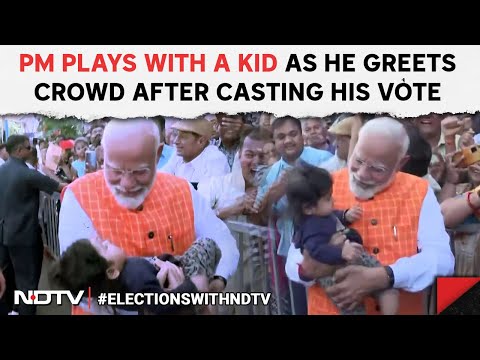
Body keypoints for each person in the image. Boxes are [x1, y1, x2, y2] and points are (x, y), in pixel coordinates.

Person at [58, 117, 239, 315]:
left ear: (158, 153)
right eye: (115, 170)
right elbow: (84, 285)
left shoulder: (182, 191)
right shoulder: (79, 196)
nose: (126, 183)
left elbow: (223, 241)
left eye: (139, 171)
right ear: (104, 155)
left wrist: (214, 282)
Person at [285, 117, 455, 315]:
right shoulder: (323, 187)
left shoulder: (419, 191)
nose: (363, 174)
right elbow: (293, 259)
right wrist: (311, 268)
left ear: (401, 162)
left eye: (377, 169)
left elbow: (442, 260)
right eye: (358, 160)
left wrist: (386, 276)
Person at [285, 163, 399, 315]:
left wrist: (345, 215)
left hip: (353, 257)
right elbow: (317, 250)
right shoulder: (310, 229)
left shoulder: (319, 213)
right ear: (308, 208)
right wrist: (341, 253)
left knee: (388, 288)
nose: (333, 201)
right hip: (334, 272)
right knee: (352, 305)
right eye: (327, 198)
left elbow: (331, 216)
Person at [50, 237, 218, 315]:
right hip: (184, 285)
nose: (108, 241)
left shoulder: (108, 293)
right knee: (205, 244)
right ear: (111, 272)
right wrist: (193, 286)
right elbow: (161, 304)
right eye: (105, 247)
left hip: (171, 273)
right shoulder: (136, 275)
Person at [0, 135, 65, 315]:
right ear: (20, 151)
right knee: (28, 284)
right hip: (26, 238)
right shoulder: (28, 173)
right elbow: (61, 188)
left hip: (5, 235)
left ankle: (11, 310)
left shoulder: (2, 171)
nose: (32, 150)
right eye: (29, 148)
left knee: (7, 278)